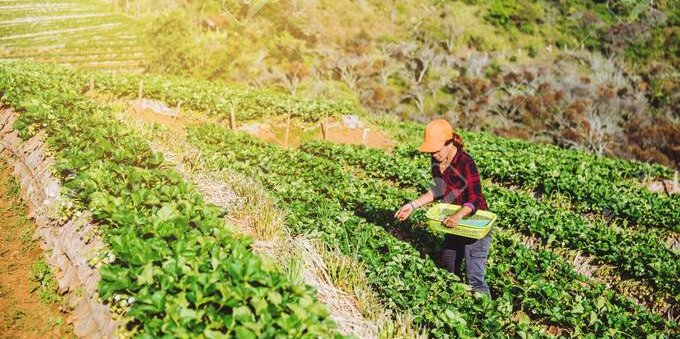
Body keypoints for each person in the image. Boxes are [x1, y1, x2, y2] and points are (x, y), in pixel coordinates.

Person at [394, 119, 492, 298]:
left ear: (449, 143)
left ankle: (486, 312)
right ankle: (455, 305)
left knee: (475, 278)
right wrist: (412, 205)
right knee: (447, 270)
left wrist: (458, 216)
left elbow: (475, 199)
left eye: (436, 150)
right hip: (453, 222)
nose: (434, 154)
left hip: (473, 224)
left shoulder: (466, 163)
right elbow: (439, 190)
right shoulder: (436, 161)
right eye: (431, 151)